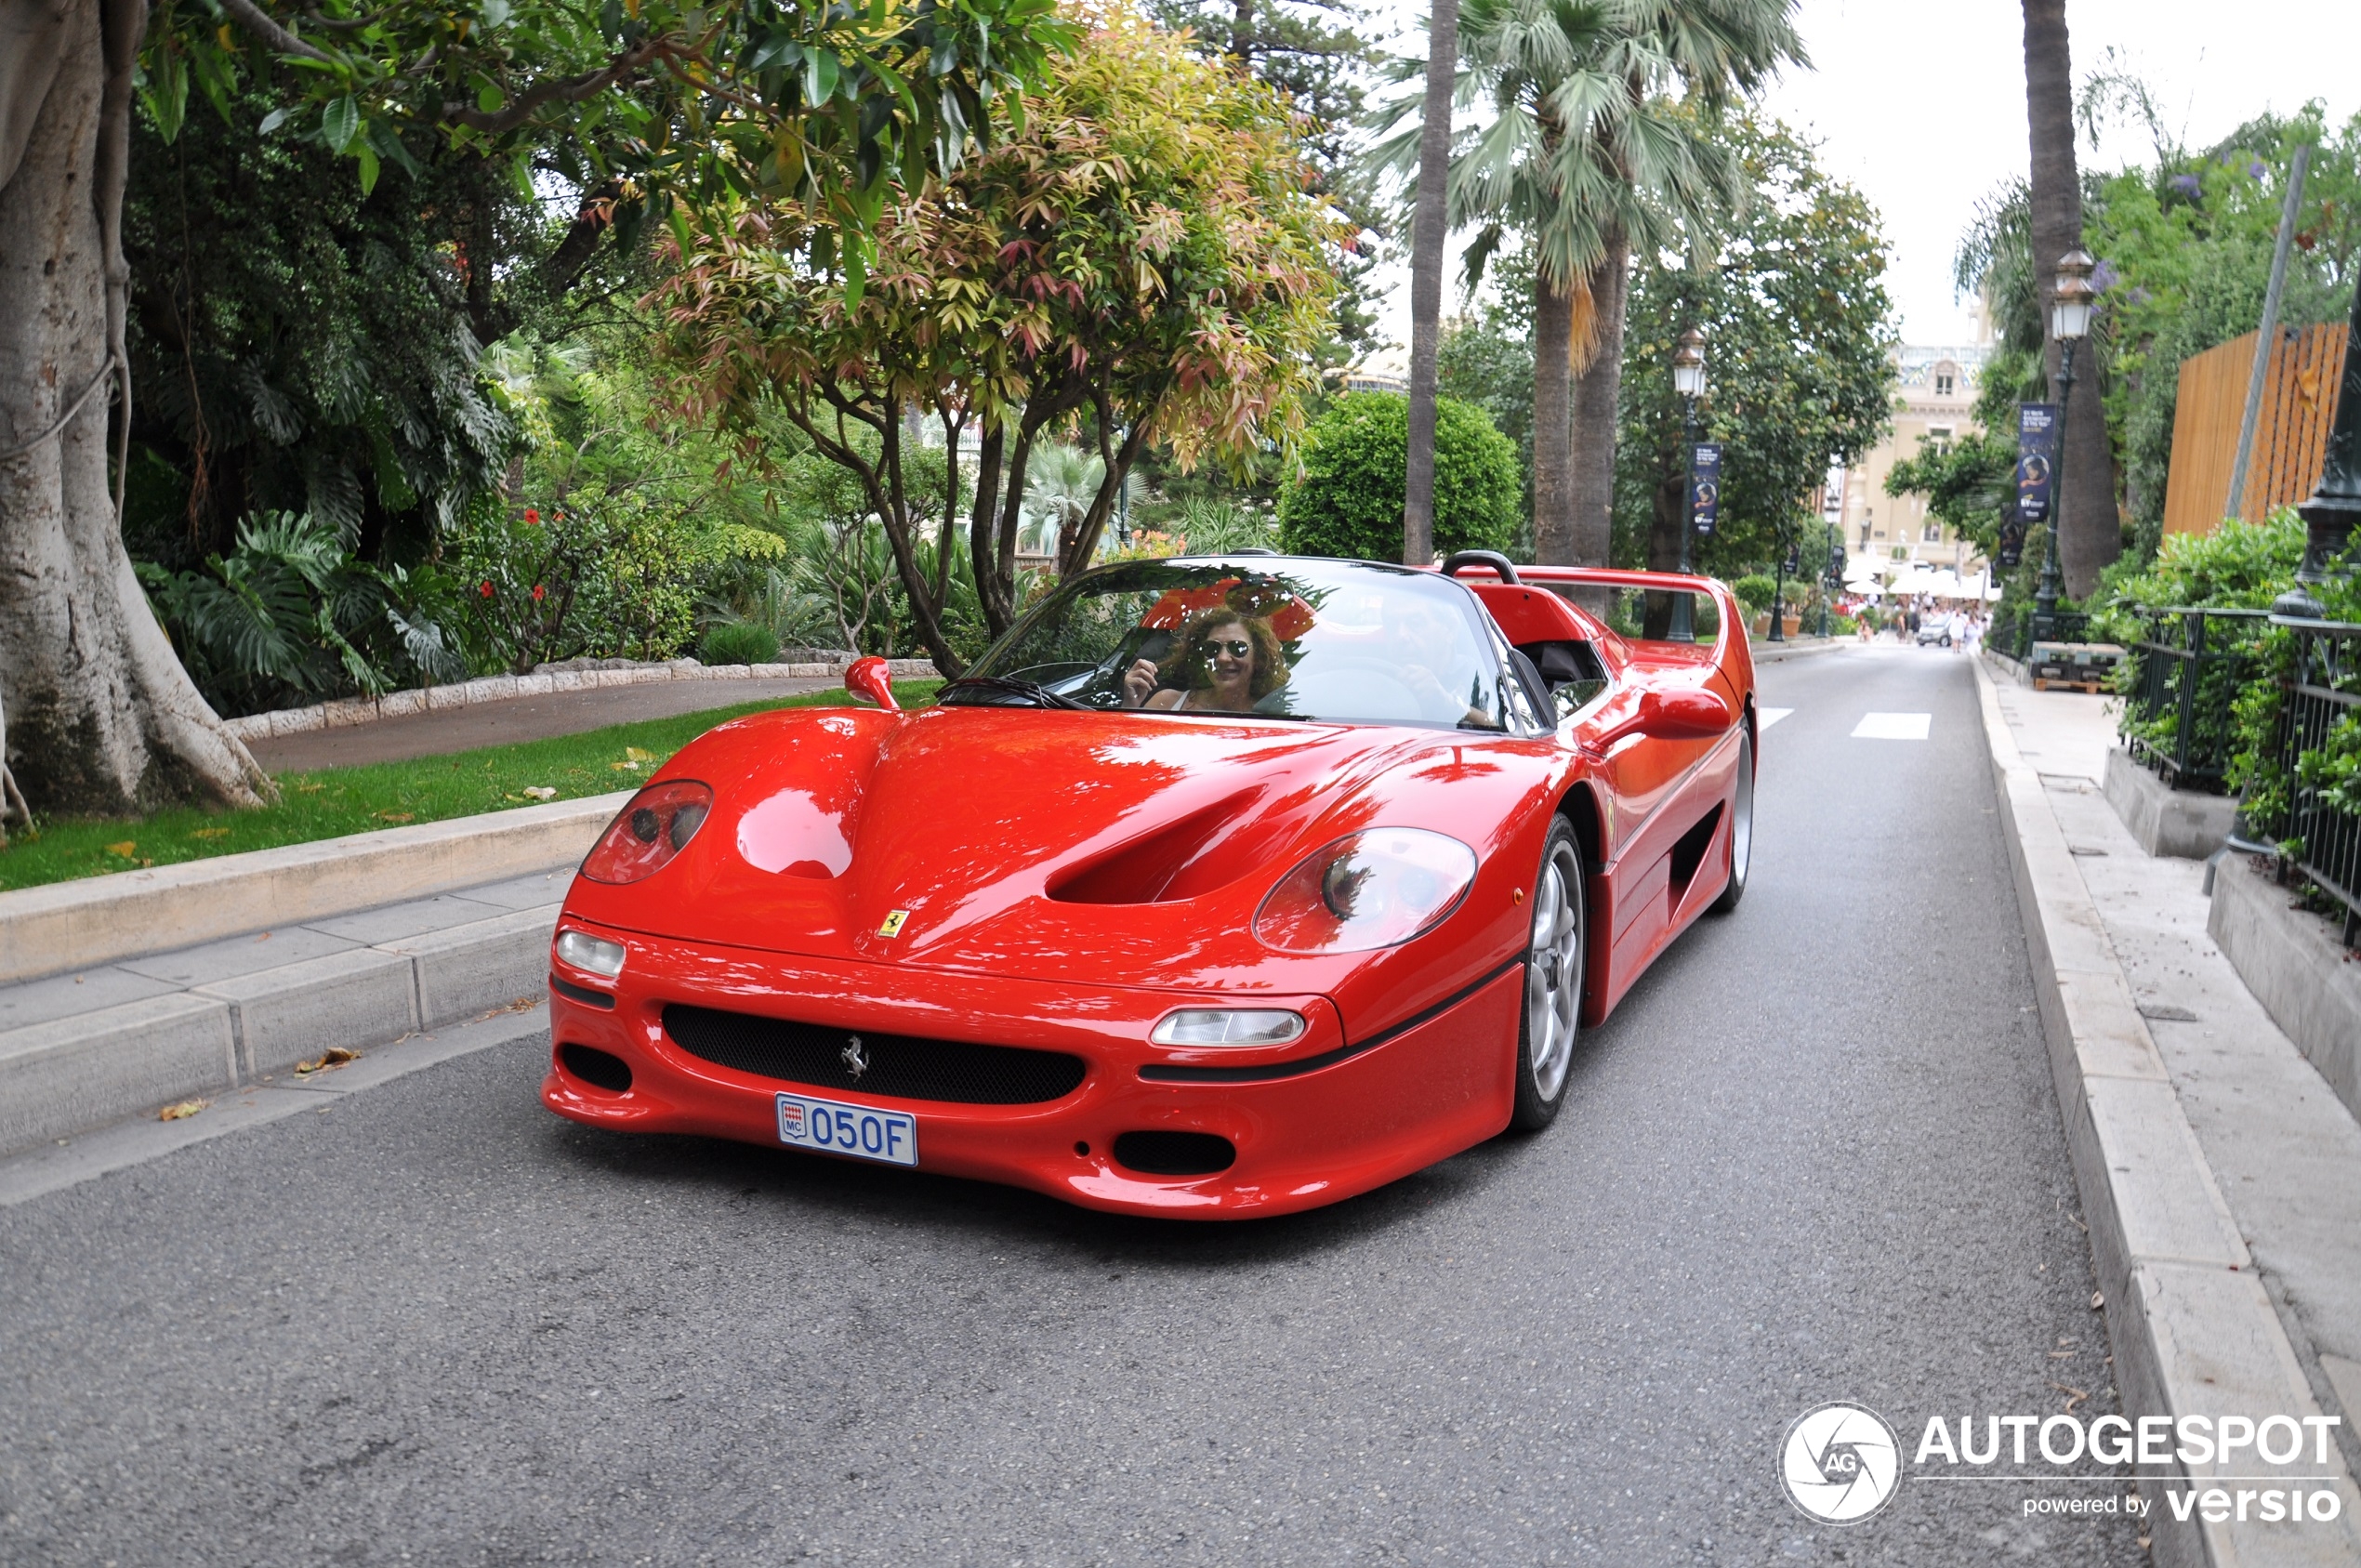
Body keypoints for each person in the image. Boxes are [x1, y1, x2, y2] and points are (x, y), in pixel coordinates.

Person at [1122, 608, 1287, 713]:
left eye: (1238, 647)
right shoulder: (1166, 703)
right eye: (1212, 648)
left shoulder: (1274, 717)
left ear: (1258, 657)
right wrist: (1129, 705)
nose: (1222, 658)